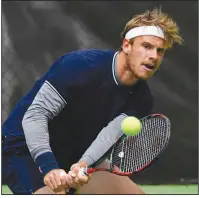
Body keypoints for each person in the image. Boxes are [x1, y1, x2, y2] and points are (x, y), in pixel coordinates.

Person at [2, 7, 183, 194]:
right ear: (127, 45)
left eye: (160, 51)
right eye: (146, 46)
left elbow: (108, 136)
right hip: (23, 149)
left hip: (73, 152)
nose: (154, 56)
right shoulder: (80, 66)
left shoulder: (142, 99)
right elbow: (35, 115)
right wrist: (49, 167)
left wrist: (82, 164)